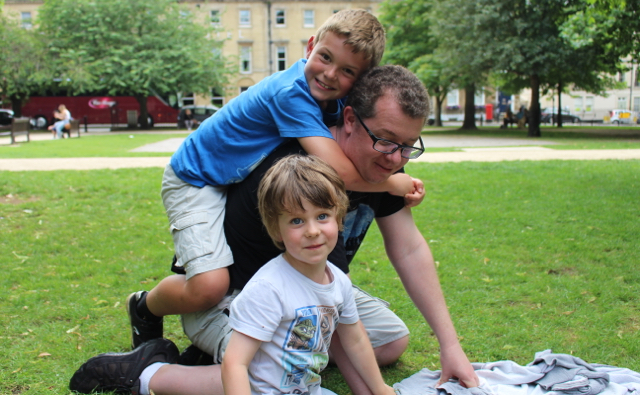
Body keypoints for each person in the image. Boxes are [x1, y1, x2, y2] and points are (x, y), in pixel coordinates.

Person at [68, 65, 479, 395]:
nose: (396, 159)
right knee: (280, 372)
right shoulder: (299, 176)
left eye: (408, 146)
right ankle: (150, 373)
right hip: (232, 297)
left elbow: (408, 249)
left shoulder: (382, 172)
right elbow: (331, 322)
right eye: (386, 141)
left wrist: (450, 346)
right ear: (351, 119)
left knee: (390, 341)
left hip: (307, 286)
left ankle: (223, 358)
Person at [125, 9, 417, 351]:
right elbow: (338, 171)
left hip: (231, 178)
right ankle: (145, 307)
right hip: (196, 177)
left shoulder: (332, 100)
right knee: (209, 285)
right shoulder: (290, 93)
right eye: (325, 57)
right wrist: (391, 184)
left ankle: (239, 321)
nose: (330, 74)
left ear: (360, 79)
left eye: (348, 71)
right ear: (310, 46)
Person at [221, 154, 395, 395]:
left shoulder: (339, 282)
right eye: (296, 220)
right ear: (276, 229)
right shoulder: (268, 288)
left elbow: (356, 341)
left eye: (322, 216)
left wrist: (380, 388)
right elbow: (235, 363)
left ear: (339, 218)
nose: (312, 231)